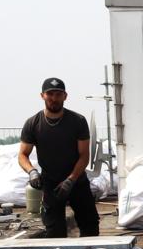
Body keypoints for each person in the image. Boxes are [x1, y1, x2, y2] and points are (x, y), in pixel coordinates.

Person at [17, 77, 99, 237]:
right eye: (50, 94)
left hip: (77, 182)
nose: (54, 98)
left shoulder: (78, 121)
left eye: (58, 94)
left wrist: (71, 180)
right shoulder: (33, 123)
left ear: (65, 96)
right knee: (54, 232)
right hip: (50, 184)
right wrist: (32, 172)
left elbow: (84, 156)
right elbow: (22, 154)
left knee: (90, 226)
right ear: (42, 96)